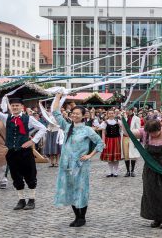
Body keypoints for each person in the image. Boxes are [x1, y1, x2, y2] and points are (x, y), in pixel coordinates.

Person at [50, 93, 104, 227]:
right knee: (70, 189)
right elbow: (55, 112)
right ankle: (76, 216)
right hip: (66, 165)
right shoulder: (67, 126)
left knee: (81, 190)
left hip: (80, 165)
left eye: (78, 114)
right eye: (73, 113)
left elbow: (100, 143)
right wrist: (57, 96)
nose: (75, 115)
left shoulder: (87, 130)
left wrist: (89, 155)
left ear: (83, 115)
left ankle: (82, 217)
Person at [0, 96, 47, 210]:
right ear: (10, 107)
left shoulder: (28, 119)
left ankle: (31, 200)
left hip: (25, 152)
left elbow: (43, 128)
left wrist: (32, 141)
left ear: (22, 107)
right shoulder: (5, 117)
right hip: (12, 152)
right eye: (13, 106)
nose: (15, 107)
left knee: (30, 175)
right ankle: (21, 200)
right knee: (16, 176)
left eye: (17, 105)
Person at [100, 110, 123, 177]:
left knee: (116, 157)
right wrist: (103, 141)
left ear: (114, 114)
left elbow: (122, 130)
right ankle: (110, 171)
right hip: (108, 140)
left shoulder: (118, 121)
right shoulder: (105, 122)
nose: (111, 114)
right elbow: (103, 133)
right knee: (109, 157)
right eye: (109, 113)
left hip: (116, 140)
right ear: (107, 114)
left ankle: (116, 172)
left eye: (112, 113)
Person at [123, 110, 142, 177]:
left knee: (133, 154)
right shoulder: (124, 118)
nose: (128, 111)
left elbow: (138, 129)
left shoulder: (136, 118)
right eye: (127, 110)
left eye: (129, 110)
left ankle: (132, 170)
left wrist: (137, 139)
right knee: (126, 154)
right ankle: (127, 171)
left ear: (132, 111)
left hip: (133, 138)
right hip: (125, 138)